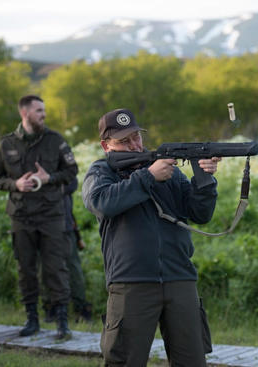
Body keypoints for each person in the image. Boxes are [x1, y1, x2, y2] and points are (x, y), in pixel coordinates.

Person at [82, 108, 221, 366]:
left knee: (192, 360)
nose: (135, 145)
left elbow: (200, 214)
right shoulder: (101, 171)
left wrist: (204, 178)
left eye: (137, 137)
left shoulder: (168, 170)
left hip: (179, 277)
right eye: (124, 141)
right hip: (131, 281)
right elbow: (101, 203)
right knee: (125, 361)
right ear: (106, 145)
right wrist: (148, 177)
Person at [0, 94, 78, 340]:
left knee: (56, 268)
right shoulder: (6, 144)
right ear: (25, 113)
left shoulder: (55, 141)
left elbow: (72, 171)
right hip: (21, 215)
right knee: (25, 269)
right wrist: (15, 184)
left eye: (44, 110)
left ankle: (62, 322)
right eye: (39, 110)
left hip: (51, 215)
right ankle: (32, 319)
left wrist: (49, 178)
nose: (44, 115)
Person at [43, 177, 93, 323]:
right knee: (47, 268)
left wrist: (46, 184)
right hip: (43, 224)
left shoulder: (62, 160)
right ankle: (51, 308)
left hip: (64, 224)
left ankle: (81, 309)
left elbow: (70, 184)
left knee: (72, 269)